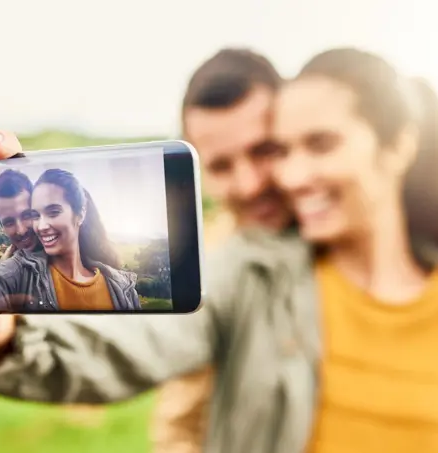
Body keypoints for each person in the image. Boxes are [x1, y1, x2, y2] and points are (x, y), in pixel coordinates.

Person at [0, 47, 438, 453]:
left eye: (307, 146)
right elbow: (124, 346)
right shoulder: (243, 274)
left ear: (398, 143)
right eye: (281, 149)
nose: (280, 178)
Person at [152, 47, 293, 453]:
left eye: (263, 150)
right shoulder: (207, 264)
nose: (249, 185)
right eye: (221, 166)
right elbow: (181, 427)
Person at [0, 167, 141, 312]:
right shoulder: (16, 270)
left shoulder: (114, 280)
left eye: (28, 215)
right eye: (8, 222)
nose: (22, 229)